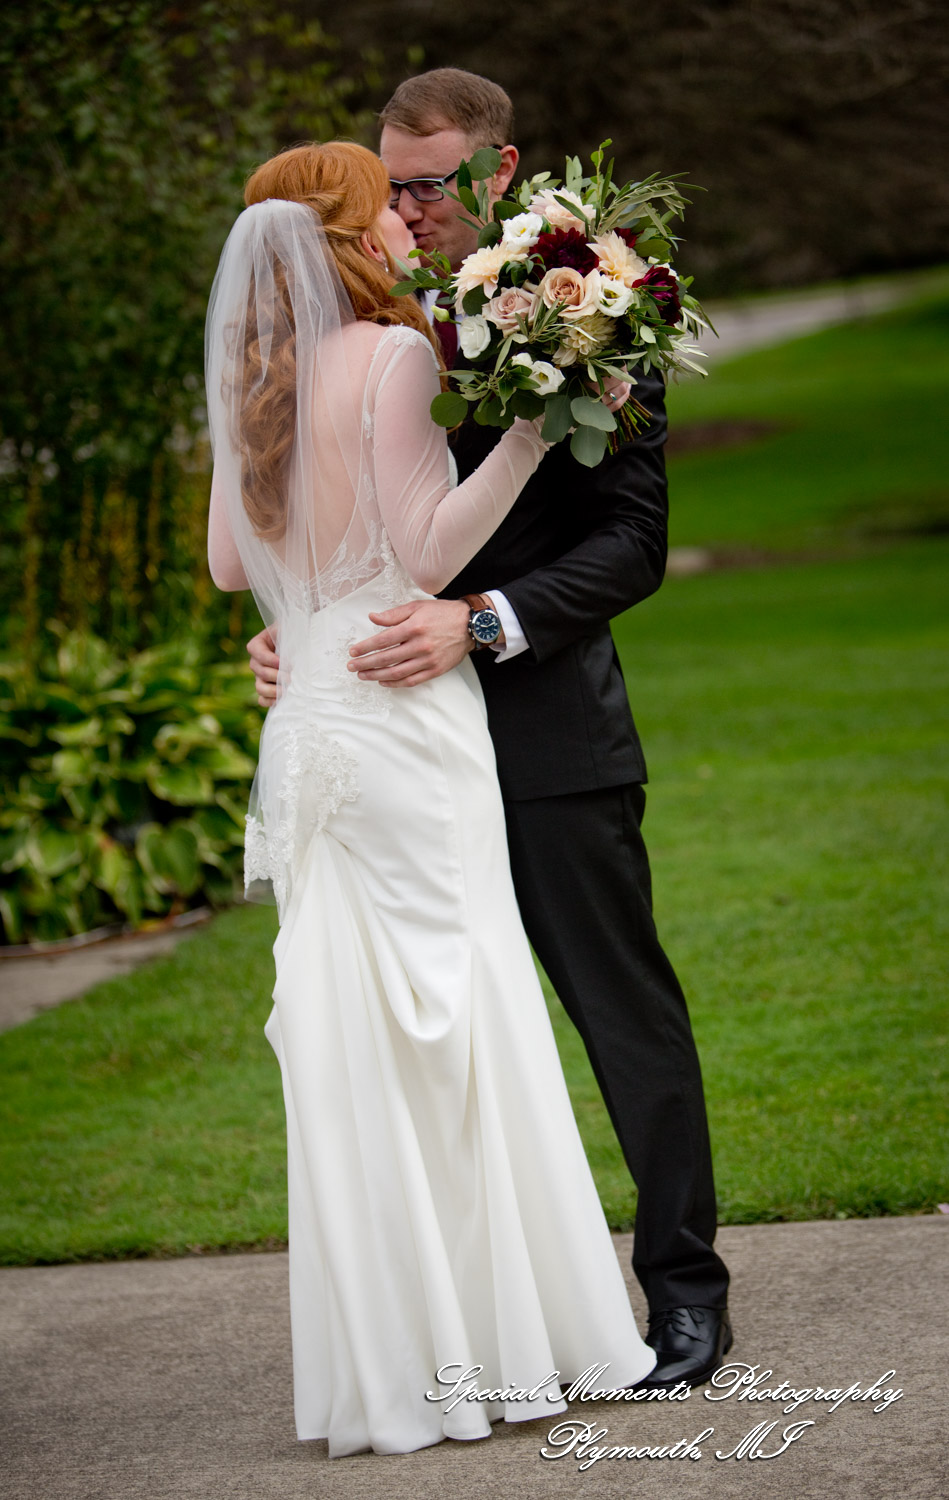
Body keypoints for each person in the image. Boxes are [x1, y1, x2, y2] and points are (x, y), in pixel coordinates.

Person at [247, 69, 733, 1389]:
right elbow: (316, 518)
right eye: (390, 184)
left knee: (619, 1011)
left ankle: (684, 1291)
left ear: (498, 170)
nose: (408, 207)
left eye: (430, 183)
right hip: (393, 747)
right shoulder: (354, 321)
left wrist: (485, 621)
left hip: (546, 730)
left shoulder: (587, 300)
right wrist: (298, 624)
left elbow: (633, 541)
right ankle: (478, 1323)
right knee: (425, 1037)